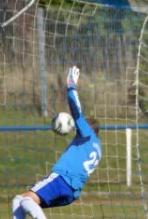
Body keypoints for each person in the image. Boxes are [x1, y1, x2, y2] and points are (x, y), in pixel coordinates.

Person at [12, 66, 102, 219]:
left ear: (87, 127)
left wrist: (71, 85)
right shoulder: (97, 147)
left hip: (61, 180)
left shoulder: (86, 133)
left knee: (26, 200)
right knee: (19, 199)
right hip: (72, 193)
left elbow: (75, 109)